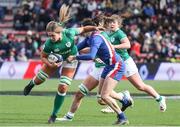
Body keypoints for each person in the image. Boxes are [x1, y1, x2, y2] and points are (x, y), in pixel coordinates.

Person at [23, 4, 104, 124]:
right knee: (40, 80)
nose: (51, 38)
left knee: (63, 87)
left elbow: (83, 29)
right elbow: (43, 57)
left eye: (53, 35)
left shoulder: (69, 33)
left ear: (60, 33)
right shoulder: (49, 44)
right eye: (49, 35)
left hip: (71, 59)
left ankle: (54, 115)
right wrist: (50, 65)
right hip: (54, 60)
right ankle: (31, 84)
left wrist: (95, 28)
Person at [56, 18, 133, 123]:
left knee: (104, 96)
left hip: (116, 65)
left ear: (89, 29)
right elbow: (75, 49)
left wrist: (75, 58)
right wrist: (60, 54)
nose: (81, 31)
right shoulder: (90, 38)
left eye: (83, 29)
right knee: (99, 97)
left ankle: (122, 116)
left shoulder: (96, 38)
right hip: (107, 66)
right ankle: (69, 117)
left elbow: (92, 55)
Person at [100, 14, 166, 113]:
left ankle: (160, 98)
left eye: (114, 22)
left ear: (119, 24)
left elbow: (127, 45)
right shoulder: (109, 34)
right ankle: (117, 101)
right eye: (110, 22)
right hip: (115, 64)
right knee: (106, 87)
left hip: (126, 63)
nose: (112, 24)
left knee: (140, 86)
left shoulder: (120, 33)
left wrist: (114, 46)